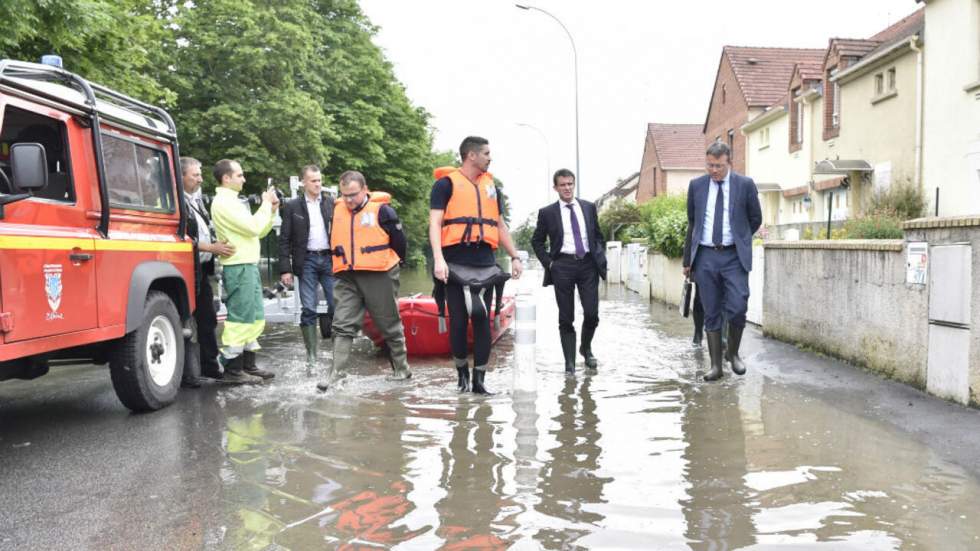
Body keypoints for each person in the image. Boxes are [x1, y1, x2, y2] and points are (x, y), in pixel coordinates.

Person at [429, 136, 523, 395]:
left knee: (480, 316)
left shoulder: (492, 187)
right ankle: (462, 376)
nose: (490, 158)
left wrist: (514, 255)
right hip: (454, 261)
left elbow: (499, 226)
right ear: (471, 155)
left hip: (484, 262)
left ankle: (480, 380)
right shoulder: (445, 185)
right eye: (486, 153)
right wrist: (438, 259)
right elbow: (435, 223)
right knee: (458, 321)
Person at [316, 171, 411, 392]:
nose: (348, 200)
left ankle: (402, 370)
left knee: (389, 323)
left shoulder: (383, 212)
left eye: (353, 194)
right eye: (345, 195)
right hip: (346, 275)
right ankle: (336, 375)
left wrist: (394, 267)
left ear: (365, 189)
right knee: (342, 324)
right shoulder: (335, 211)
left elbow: (399, 243)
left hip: (379, 273)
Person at [682, 142, 762, 381]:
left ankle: (733, 354)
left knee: (738, 305)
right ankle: (715, 366)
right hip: (705, 256)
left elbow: (755, 218)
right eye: (710, 165)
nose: (713, 170)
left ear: (729, 163)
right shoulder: (696, 186)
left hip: (733, 255)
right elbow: (692, 224)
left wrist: (740, 238)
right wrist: (688, 260)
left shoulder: (744, 185)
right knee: (711, 310)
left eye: (718, 165)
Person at [531, 169, 607, 374]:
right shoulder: (547, 213)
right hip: (562, 266)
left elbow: (598, 236)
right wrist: (549, 264)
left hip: (588, 265)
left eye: (570, 184)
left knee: (592, 314)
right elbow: (536, 241)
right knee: (566, 318)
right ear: (555, 187)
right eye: (562, 185)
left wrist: (600, 255)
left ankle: (586, 348)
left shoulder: (589, 207)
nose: (567, 188)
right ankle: (570, 364)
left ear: (574, 184)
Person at [210, 159, 279, 383]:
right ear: (226, 178)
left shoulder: (232, 202)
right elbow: (253, 227)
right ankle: (233, 369)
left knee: (254, 317)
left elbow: (257, 231)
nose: (244, 179)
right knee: (240, 319)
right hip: (239, 267)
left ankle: (248, 365)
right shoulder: (224, 203)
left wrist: (271, 209)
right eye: (240, 175)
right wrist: (266, 204)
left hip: (247, 265)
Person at [180, 157, 236, 387]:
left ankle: (209, 367)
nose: (201, 178)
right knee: (187, 322)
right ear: (182, 176)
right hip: (185, 269)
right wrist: (211, 247)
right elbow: (182, 236)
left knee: (207, 318)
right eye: (195, 175)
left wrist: (213, 245)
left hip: (202, 267)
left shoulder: (197, 200)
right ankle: (189, 374)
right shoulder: (175, 201)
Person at [278, 164, 335, 371]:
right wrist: (285, 268)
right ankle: (311, 357)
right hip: (307, 260)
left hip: (329, 259)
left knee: (337, 305)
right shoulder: (293, 206)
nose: (318, 184)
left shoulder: (331, 203)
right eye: (313, 180)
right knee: (308, 308)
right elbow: (284, 239)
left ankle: (338, 355)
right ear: (304, 182)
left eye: (320, 180)